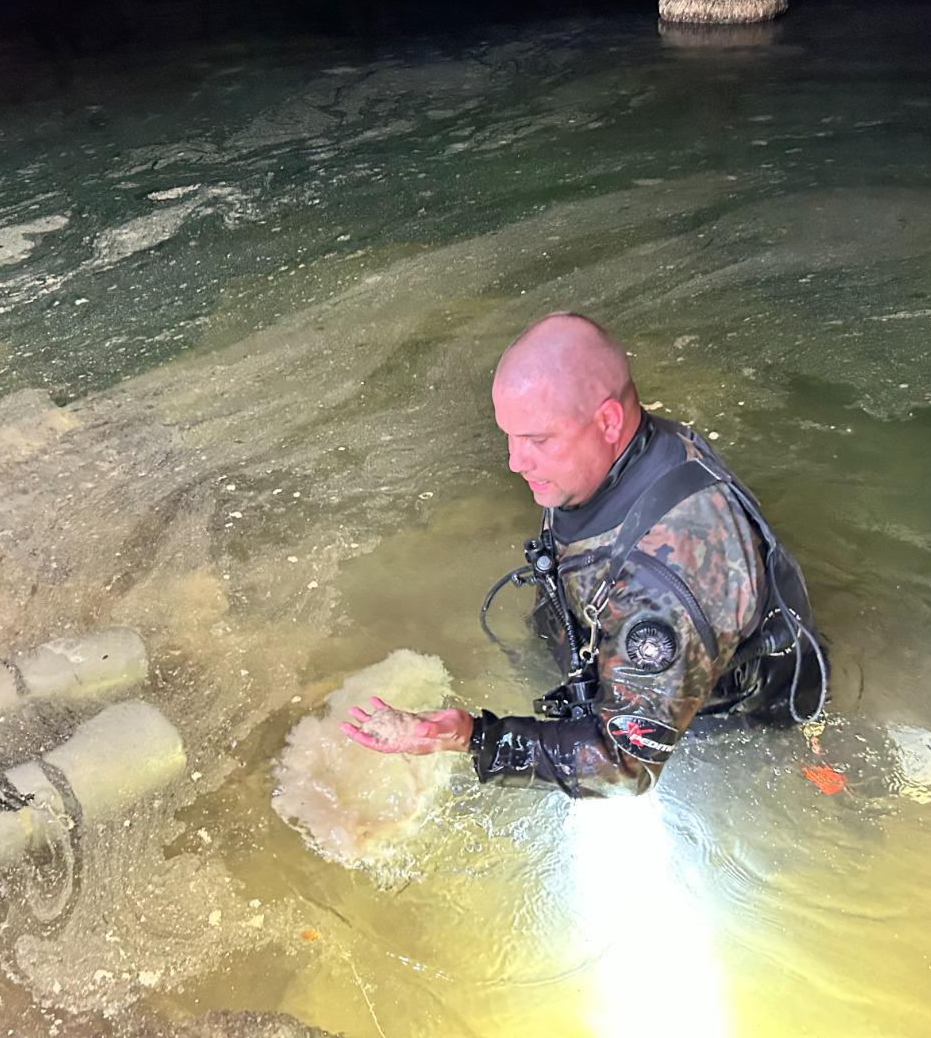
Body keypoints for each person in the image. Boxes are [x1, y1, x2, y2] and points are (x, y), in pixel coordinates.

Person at [341, 313, 825, 796]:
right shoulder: (625, 454)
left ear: (609, 421)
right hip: (635, 655)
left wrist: (472, 737)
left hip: (725, 724)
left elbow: (623, 767)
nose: (515, 462)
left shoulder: (664, 582)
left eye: (537, 440)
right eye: (509, 435)